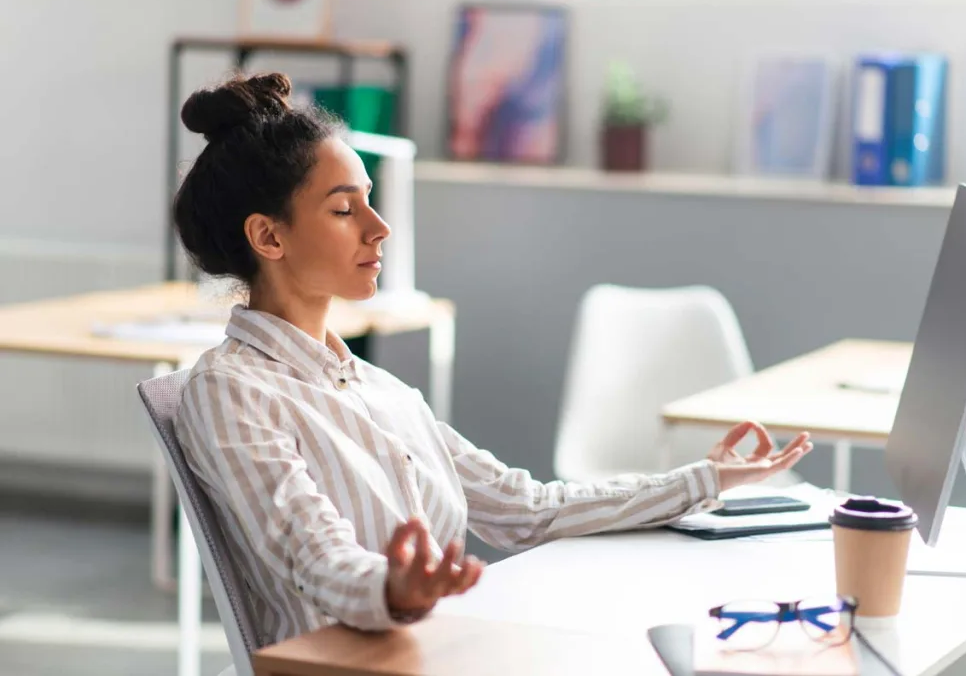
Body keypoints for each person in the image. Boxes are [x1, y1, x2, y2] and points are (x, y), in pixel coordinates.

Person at [172, 72, 814, 644]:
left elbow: (526, 508)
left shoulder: (379, 391)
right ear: (268, 235)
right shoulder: (232, 390)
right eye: (344, 208)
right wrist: (394, 589)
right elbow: (311, 559)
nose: (379, 226)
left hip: (434, 648)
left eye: (370, 198)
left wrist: (705, 478)